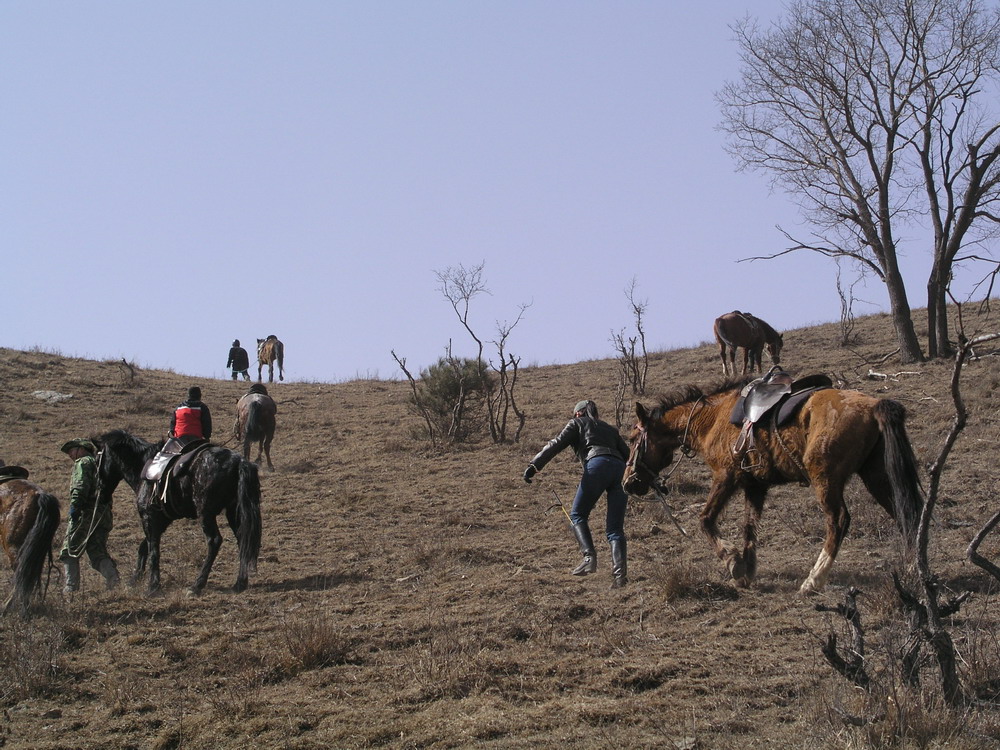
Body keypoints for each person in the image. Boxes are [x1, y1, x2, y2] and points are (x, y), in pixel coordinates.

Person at [523, 400, 631, 588]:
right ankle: (620, 577)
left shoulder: (577, 423)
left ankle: (589, 558)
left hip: (597, 465)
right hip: (620, 471)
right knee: (615, 529)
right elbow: (630, 456)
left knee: (577, 515)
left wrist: (534, 465)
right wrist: (653, 482)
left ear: (579, 413)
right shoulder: (611, 430)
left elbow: (555, 444)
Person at [59, 438, 120, 592]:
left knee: (69, 550)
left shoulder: (83, 463)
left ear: (81, 449)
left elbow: (80, 486)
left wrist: (75, 506)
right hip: (103, 515)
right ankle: (114, 580)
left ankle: (71, 588)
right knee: (97, 551)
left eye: (71, 450)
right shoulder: (99, 463)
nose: (70, 455)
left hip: (85, 514)